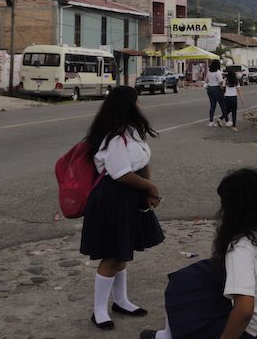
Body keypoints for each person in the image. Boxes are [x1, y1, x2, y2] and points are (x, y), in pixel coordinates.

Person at [141, 168, 257, 339]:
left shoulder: (242, 246)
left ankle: (166, 336)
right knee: (201, 273)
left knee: (183, 289)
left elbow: (245, 311)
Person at [80, 86, 165, 330]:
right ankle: (99, 310)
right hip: (113, 197)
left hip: (130, 195)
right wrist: (151, 187)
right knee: (112, 254)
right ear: (129, 106)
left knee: (123, 250)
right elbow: (120, 174)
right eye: (137, 102)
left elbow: (143, 161)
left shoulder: (133, 132)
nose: (140, 106)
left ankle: (121, 300)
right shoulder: (115, 137)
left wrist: (147, 191)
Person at [204, 59, 225, 127]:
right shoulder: (218, 72)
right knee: (222, 105)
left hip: (210, 88)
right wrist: (223, 89)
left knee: (212, 105)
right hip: (216, 88)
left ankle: (211, 121)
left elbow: (206, 80)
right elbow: (220, 82)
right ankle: (226, 120)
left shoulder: (209, 71)